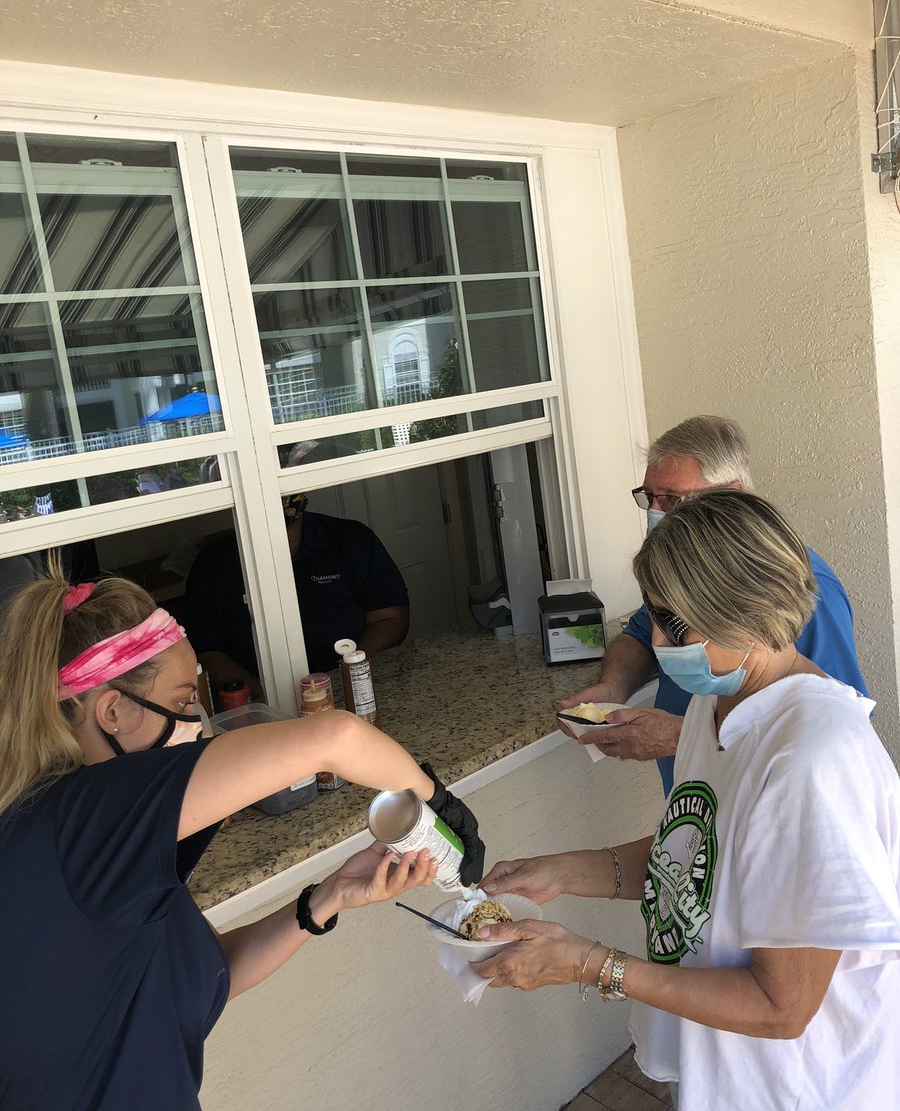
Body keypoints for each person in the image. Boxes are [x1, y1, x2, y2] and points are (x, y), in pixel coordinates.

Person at [0, 559, 483, 1109]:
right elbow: (337, 738)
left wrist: (328, 898)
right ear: (111, 711)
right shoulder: (82, 823)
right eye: (183, 702)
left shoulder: (116, 850)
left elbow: (206, 978)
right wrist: (436, 799)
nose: (198, 723)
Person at [473, 490, 900, 1110]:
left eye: (675, 622)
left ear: (744, 615)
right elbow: (700, 857)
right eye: (654, 617)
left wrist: (591, 964)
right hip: (724, 1074)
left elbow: (782, 1008)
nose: (662, 640)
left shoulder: (812, 761)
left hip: (801, 1089)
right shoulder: (715, 705)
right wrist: (561, 871)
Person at [562, 415, 866, 793]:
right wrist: (613, 687)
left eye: (671, 498)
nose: (656, 512)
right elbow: (641, 635)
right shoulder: (678, 576)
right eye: (649, 498)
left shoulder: (796, 589)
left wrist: (679, 736)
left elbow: (832, 724)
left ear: (733, 493)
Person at [183, 492, 410, 701]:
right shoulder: (213, 564)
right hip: (260, 706)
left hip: (355, 690)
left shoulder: (351, 539)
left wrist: (346, 678)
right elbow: (206, 650)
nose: (275, 496)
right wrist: (263, 698)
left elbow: (390, 618)